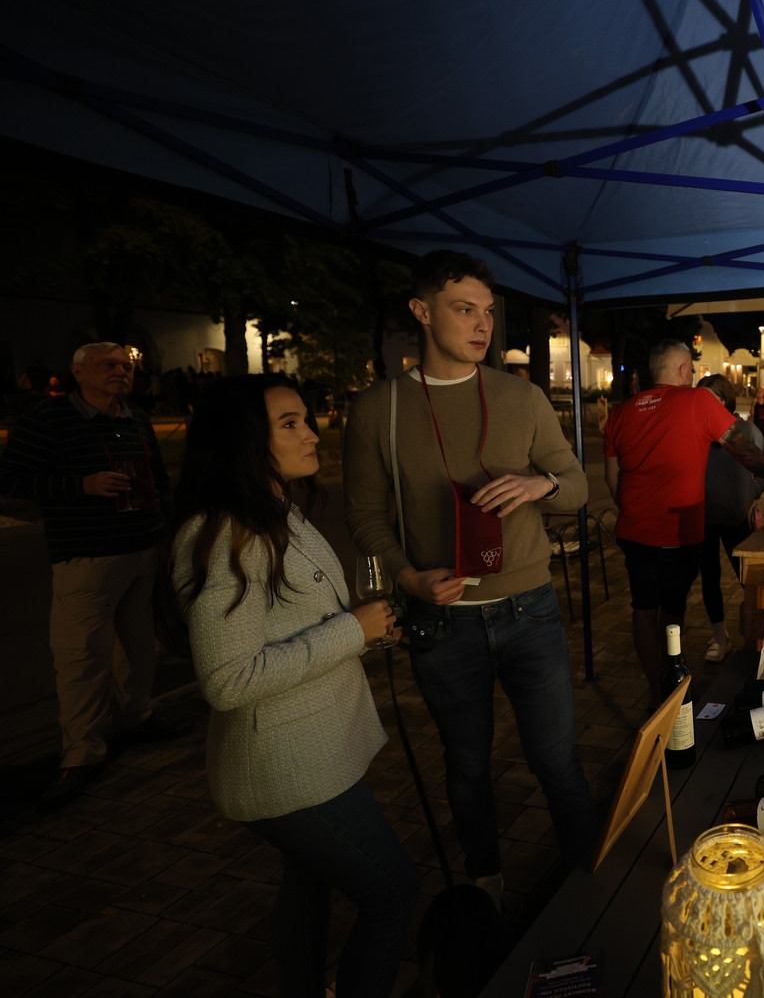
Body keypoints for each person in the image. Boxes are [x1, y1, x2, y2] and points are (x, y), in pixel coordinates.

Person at [343, 250, 597, 904]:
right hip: (442, 618)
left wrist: (540, 484)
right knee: (465, 764)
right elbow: (365, 515)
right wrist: (408, 578)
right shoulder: (378, 409)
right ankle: (485, 882)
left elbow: (577, 486)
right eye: (465, 310)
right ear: (422, 312)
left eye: (487, 312)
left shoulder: (522, 396)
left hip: (530, 609)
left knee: (556, 759)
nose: (483, 325)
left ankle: (591, 878)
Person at [161, 374, 415, 998]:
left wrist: (364, 626)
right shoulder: (226, 534)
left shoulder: (277, 511)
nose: (313, 433)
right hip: (285, 766)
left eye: (307, 417)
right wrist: (352, 630)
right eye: (290, 423)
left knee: (307, 881)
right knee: (392, 893)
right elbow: (227, 680)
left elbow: (297, 619)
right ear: (245, 442)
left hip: (313, 748)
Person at [0, 342, 182, 808]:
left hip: (143, 549)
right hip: (86, 556)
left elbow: (158, 479)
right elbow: (10, 478)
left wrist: (166, 526)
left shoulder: (135, 416)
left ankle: (135, 716)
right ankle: (81, 752)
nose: (121, 371)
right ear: (78, 372)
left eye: (126, 365)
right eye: (108, 365)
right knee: (81, 656)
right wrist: (82, 485)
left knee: (139, 646)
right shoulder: (49, 418)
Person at [605, 340, 764, 696]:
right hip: (678, 531)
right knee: (672, 609)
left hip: (633, 530)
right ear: (684, 370)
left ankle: (656, 690)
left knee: (643, 607)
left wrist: (635, 511)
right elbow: (744, 450)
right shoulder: (696, 400)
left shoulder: (620, 412)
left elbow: (612, 478)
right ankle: (672, 685)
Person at [696, 374, 764, 662]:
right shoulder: (696, 432)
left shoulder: (746, 431)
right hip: (701, 515)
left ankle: (760, 636)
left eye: (712, 398)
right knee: (709, 577)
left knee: (748, 578)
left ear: (726, 399)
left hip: (735, 515)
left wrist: (749, 493)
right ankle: (720, 636)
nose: (705, 405)